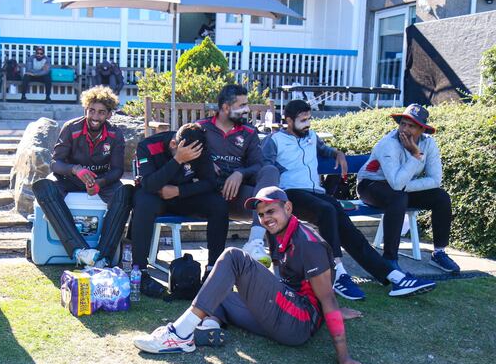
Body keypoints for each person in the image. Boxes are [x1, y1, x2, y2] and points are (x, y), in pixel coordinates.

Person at [133, 187, 378, 364]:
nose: (265, 219)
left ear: (288, 208)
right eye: (261, 215)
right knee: (216, 289)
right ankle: (209, 326)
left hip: (298, 323)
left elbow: (328, 299)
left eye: (271, 211)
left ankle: (180, 335)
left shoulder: (309, 243)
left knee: (233, 257)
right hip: (284, 309)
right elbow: (281, 279)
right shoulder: (278, 232)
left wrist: (344, 356)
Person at [262, 100, 436, 299]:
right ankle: (337, 274)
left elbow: (323, 149)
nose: (308, 124)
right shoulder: (274, 140)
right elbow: (265, 167)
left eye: (309, 118)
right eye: (303, 120)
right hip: (290, 194)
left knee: (348, 228)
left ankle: (393, 276)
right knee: (327, 211)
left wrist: (337, 153)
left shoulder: (311, 136)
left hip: (315, 193)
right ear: (289, 120)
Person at [32, 86, 133, 266]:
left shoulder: (115, 133)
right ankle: (80, 251)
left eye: (101, 112)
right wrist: (76, 170)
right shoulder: (71, 128)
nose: (95, 116)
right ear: (85, 109)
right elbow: (56, 164)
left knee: (126, 192)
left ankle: (103, 257)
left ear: (109, 114)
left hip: (100, 181)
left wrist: (99, 183)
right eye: (91, 110)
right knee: (43, 187)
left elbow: (117, 170)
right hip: (70, 179)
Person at [357, 104, 459, 273]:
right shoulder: (388, 143)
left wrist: (407, 186)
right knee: (398, 198)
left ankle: (439, 253)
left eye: (411, 125)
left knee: (441, 197)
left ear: (422, 129)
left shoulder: (429, 144)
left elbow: (435, 179)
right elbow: (396, 184)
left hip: (401, 187)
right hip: (370, 185)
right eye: (402, 123)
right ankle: (389, 259)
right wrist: (416, 156)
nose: (404, 129)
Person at [130, 123, 230, 296]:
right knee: (143, 202)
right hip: (155, 196)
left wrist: (179, 191)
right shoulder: (147, 146)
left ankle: (212, 269)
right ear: (174, 145)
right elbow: (148, 184)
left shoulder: (199, 146)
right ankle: (140, 272)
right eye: (187, 156)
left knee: (218, 205)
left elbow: (210, 182)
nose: (191, 160)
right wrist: (178, 160)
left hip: (183, 195)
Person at [196, 84, 279, 272]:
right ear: (226, 108)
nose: (247, 110)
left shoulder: (248, 132)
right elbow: (183, 153)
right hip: (207, 195)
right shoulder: (201, 129)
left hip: (238, 196)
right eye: (242, 105)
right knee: (273, 206)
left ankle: (257, 242)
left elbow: (258, 164)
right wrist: (205, 163)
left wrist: (240, 173)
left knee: (272, 184)